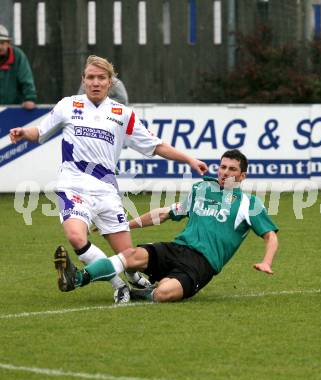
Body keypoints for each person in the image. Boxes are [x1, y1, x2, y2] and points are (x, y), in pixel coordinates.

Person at [9, 55, 208, 303]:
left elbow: (155, 146)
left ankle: (134, 278)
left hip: (106, 192)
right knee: (75, 237)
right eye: (90, 77)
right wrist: (22, 132)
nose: (95, 82)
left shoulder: (122, 113)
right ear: (83, 80)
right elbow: (39, 130)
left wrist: (188, 159)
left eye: (101, 78)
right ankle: (119, 286)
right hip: (73, 186)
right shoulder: (68, 105)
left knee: (128, 256)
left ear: (110, 82)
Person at [52, 149, 279, 303]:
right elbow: (165, 213)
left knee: (163, 294)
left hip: (202, 265)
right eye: (222, 167)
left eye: (231, 169)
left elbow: (271, 236)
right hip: (178, 248)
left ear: (242, 176)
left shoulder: (250, 204)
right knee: (131, 255)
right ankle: (77, 278)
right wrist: (125, 225)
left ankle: (136, 292)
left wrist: (266, 262)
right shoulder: (202, 189)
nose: (224, 173)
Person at [0, 24, 37, 109]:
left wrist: (30, 98)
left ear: (9, 43)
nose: (0, 46)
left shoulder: (18, 56)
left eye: (2, 43)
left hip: (13, 110)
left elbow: (26, 79)